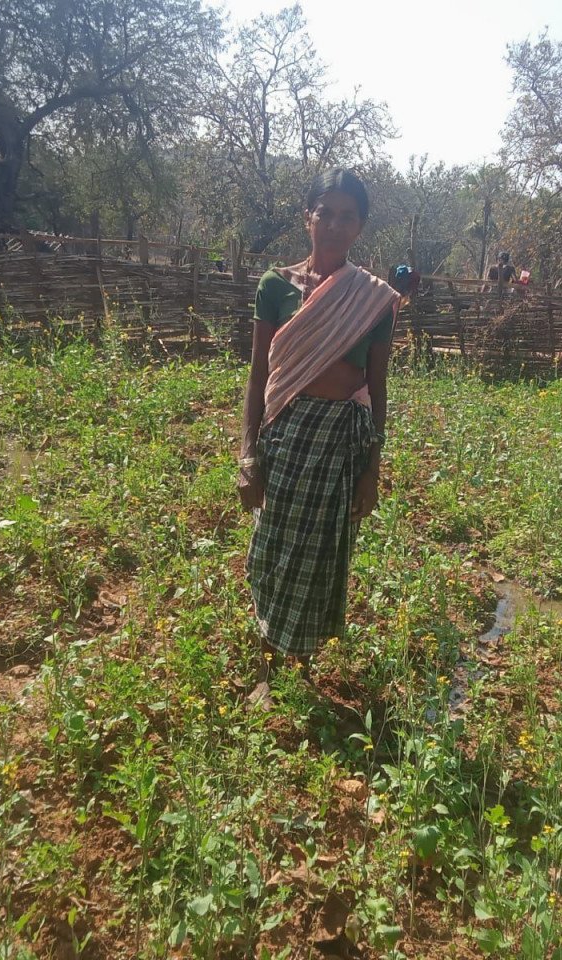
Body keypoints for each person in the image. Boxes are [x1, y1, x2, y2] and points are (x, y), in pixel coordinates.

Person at [238, 168, 405, 703]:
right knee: (273, 549)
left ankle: (300, 667)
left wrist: (372, 471)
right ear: (306, 217)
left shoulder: (373, 300)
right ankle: (267, 667)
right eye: (325, 213)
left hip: (339, 445)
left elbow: (377, 389)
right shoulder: (275, 287)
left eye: (347, 217)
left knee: (322, 559)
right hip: (284, 439)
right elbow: (258, 374)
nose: (334, 225)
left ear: (360, 228)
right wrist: (248, 455)